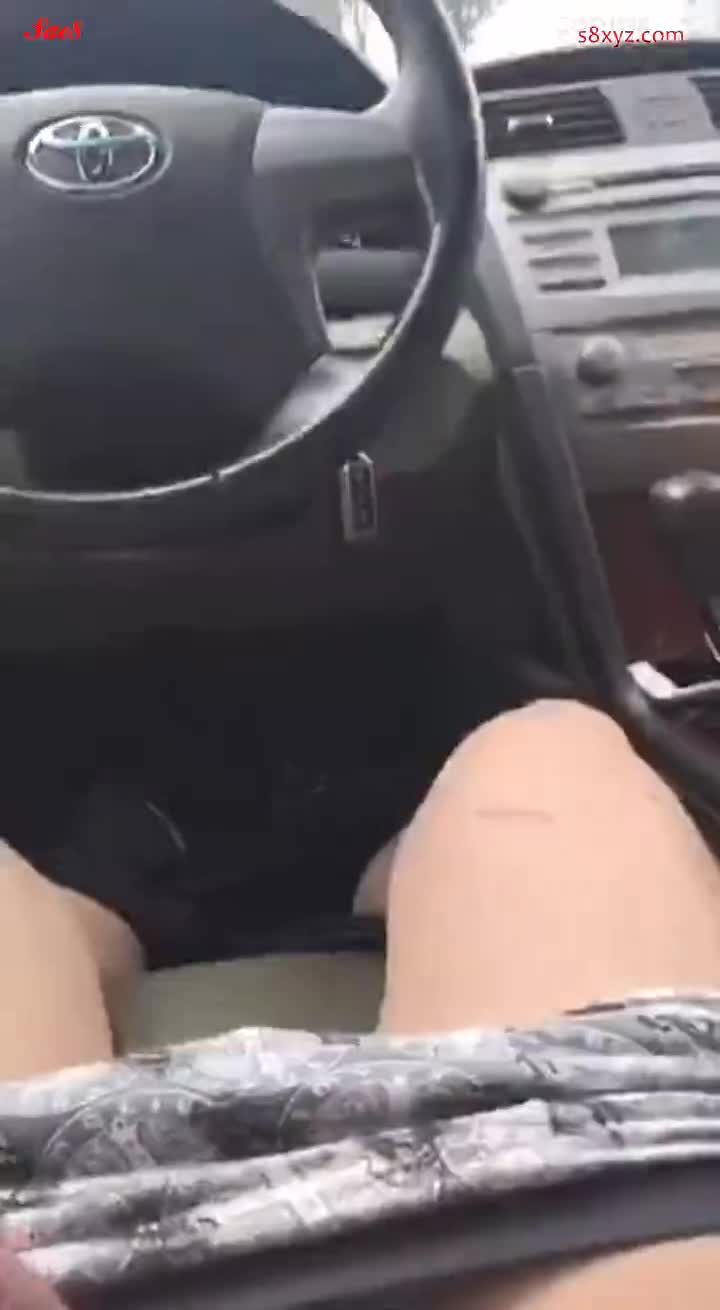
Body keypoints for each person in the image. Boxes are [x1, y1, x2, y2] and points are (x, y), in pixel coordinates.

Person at [1, 700, 720, 1308]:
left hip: (44, 1222)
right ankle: (369, 892)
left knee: (20, 895)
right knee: (546, 751)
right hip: (597, 1178)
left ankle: (116, 921)